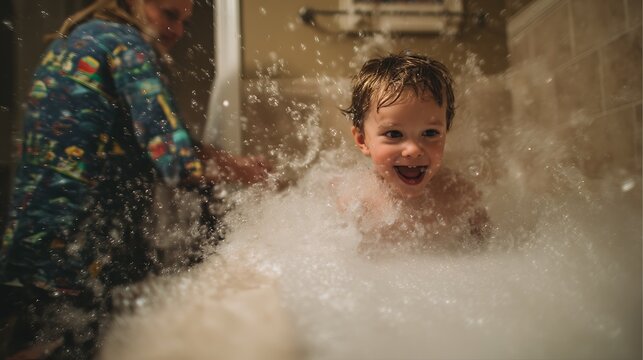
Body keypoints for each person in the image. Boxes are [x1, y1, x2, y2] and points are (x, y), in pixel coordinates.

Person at [0, 0, 268, 358]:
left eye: (185, 22)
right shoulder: (130, 44)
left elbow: (164, 136)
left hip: (30, 238)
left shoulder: (77, 41)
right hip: (75, 247)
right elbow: (175, 161)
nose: (177, 32)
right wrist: (241, 193)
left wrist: (233, 164)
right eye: (169, 14)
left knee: (32, 336)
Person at [337, 52, 491, 252]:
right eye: (394, 134)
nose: (414, 150)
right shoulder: (357, 200)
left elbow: (488, 250)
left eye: (430, 133)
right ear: (362, 140)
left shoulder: (459, 196)